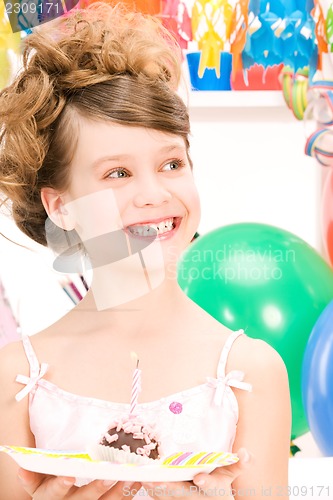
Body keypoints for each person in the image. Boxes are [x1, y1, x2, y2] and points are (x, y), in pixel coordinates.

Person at [0, 2, 291, 499]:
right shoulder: (17, 377)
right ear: (61, 206)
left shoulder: (250, 371)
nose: (155, 193)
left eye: (172, 164)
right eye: (118, 173)